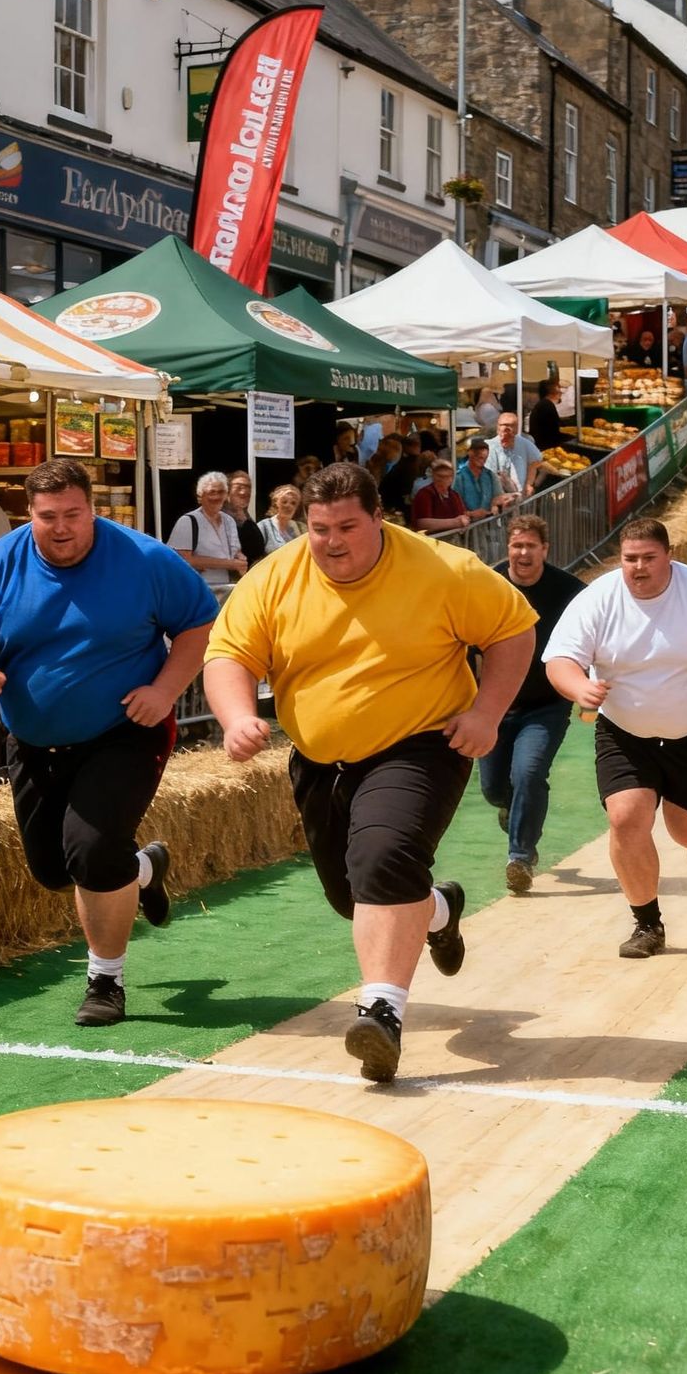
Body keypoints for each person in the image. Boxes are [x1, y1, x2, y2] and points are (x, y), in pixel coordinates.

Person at [203, 461, 537, 1082]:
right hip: (320, 760)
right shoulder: (275, 576)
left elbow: (513, 630)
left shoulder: (443, 570)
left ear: (379, 518)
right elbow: (229, 654)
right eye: (319, 527)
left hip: (420, 743)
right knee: (351, 895)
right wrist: (234, 717)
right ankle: (437, 909)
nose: (332, 542)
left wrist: (487, 712)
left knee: (382, 859)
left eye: (347, 527)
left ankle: (381, 1012)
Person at [0, 460, 216, 1026]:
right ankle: (142, 869)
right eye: (47, 517)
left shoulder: (145, 558)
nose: (61, 528)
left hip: (125, 732)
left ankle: (105, 981)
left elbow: (200, 625)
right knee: (54, 870)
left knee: (89, 851)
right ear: (28, 515)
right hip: (35, 741)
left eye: (73, 515)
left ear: (93, 511)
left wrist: (165, 689)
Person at [544, 518, 687, 960]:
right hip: (624, 732)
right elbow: (559, 658)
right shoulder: (598, 599)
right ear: (620, 559)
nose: (639, 568)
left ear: (670, 556)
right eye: (631, 559)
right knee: (626, 818)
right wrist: (579, 688)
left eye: (649, 558)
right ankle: (647, 924)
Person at [478, 514, 585, 894]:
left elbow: (592, 636)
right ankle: (515, 808)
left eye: (530, 546)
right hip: (494, 704)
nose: (523, 553)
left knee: (528, 772)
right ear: (507, 548)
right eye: (516, 546)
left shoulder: (569, 590)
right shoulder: (487, 585)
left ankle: (520, 857)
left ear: (545, 550)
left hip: (547, 705)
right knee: (493, 788)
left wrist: (586, 686)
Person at [169, 472, 247, 596]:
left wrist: (241, 559)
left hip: (225, 591)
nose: (216, 497)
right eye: (212, 492)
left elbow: (235, 552)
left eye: (221, 492)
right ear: (200, 497)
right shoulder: (188, 521)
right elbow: (181, 559)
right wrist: (229, 564)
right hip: (196, 592)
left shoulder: (229, 521)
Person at [486, 412, 543, 500]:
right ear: (498, 428)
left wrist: (529, 484)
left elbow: (536, 462)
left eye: (510, 426)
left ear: (516, 429)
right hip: (498, 497)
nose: (506, 430)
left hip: (521, 495)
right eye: (502, 426)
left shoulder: (524, 443)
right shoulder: (489, 446)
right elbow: (490, 475)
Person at [455, 437, 512, 521]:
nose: (482, 461)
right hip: (468, 528)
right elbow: (454, 507)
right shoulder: (459, 477)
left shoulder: (491, 476)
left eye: (485, 458)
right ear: (470, 453)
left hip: (489, 528)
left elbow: (499, 497)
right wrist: (471, 514)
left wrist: (496, 506)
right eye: (479, 457)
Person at [410, 458, 470, 533]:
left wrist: (463, 521)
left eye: (447, 476)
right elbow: (422, 524)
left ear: (451, 478)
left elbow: (463, 518)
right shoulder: (424, 494)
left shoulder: (454, 495)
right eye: (440, 476)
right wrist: (454, 522)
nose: (443, 480)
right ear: (433, 476)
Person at [225, 470, 269, 567]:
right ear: (227, 491)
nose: (244, 492)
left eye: (248, 487)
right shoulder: (220, 519)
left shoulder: (248, 520)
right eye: (239, 487)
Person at [257, 484, 302, 554]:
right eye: (284, 502)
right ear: (275, 503)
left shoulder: (300, 528)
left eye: (293, 503)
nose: (288, 506)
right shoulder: (264, 526)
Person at [527, 378, 565, 452]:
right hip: (546, 448)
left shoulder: (544, 404)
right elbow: (553, 431)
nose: (561, 392)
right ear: (552, 392)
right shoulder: (547, 405)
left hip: (541, 445)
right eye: (559, 389)